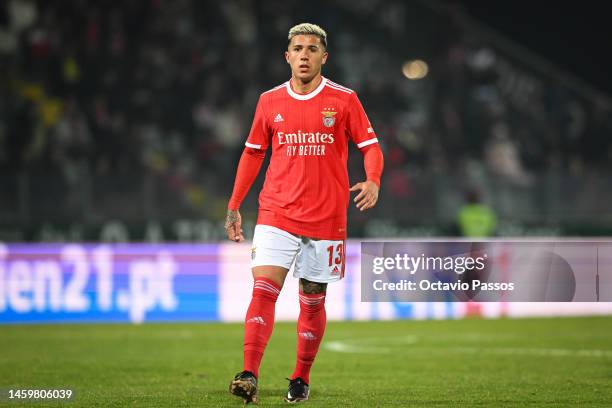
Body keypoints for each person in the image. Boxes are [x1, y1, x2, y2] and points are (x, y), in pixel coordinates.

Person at [225, 23, 384, 404]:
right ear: (287, 56)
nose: (304, 55)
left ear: (323, 57)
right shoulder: (270, 101)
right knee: (264, 290)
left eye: (312, 49)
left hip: (327, 217)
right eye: (298, 48)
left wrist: (374, 179)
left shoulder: (344, 100)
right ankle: (248, 373)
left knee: (312, 299)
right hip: (276, 211)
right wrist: (233, 205)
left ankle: (300, 377)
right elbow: (252, 153)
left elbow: (371, 146)